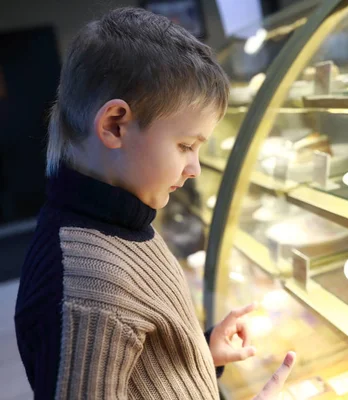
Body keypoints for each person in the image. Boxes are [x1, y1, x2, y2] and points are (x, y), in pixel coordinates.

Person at [14, 7, 295, 399]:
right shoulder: (91, 285)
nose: (194, 167)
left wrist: (196, 355)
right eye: (185, 146)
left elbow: (135, 370)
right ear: (115, 124)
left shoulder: (122, 219)